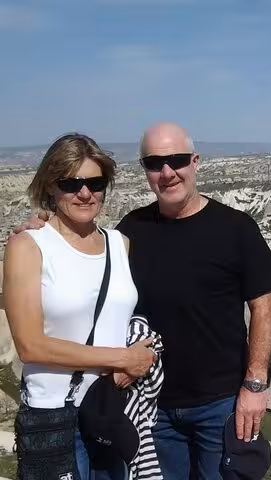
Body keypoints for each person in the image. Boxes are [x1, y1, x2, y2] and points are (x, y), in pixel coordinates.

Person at [16, 123, 271, 478]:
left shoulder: (235, 227)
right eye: (155, 163)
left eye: (177, 160)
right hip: (150, 405)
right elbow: (81, 253)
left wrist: (254, 385)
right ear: (145, 169)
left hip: (219, 404)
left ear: (195, 162)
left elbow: (263, 307)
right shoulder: (132, 230)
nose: (168, 172)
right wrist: (40, 228)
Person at [3, 133, 157, 480]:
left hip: (110, 409)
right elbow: (30, 345)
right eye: (71, 183)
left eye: (95, 182)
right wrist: (121, 358)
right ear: (50, 187)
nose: (85, 193)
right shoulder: (29, 246)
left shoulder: (121, 245)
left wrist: (136, 361)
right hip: (55, 415)